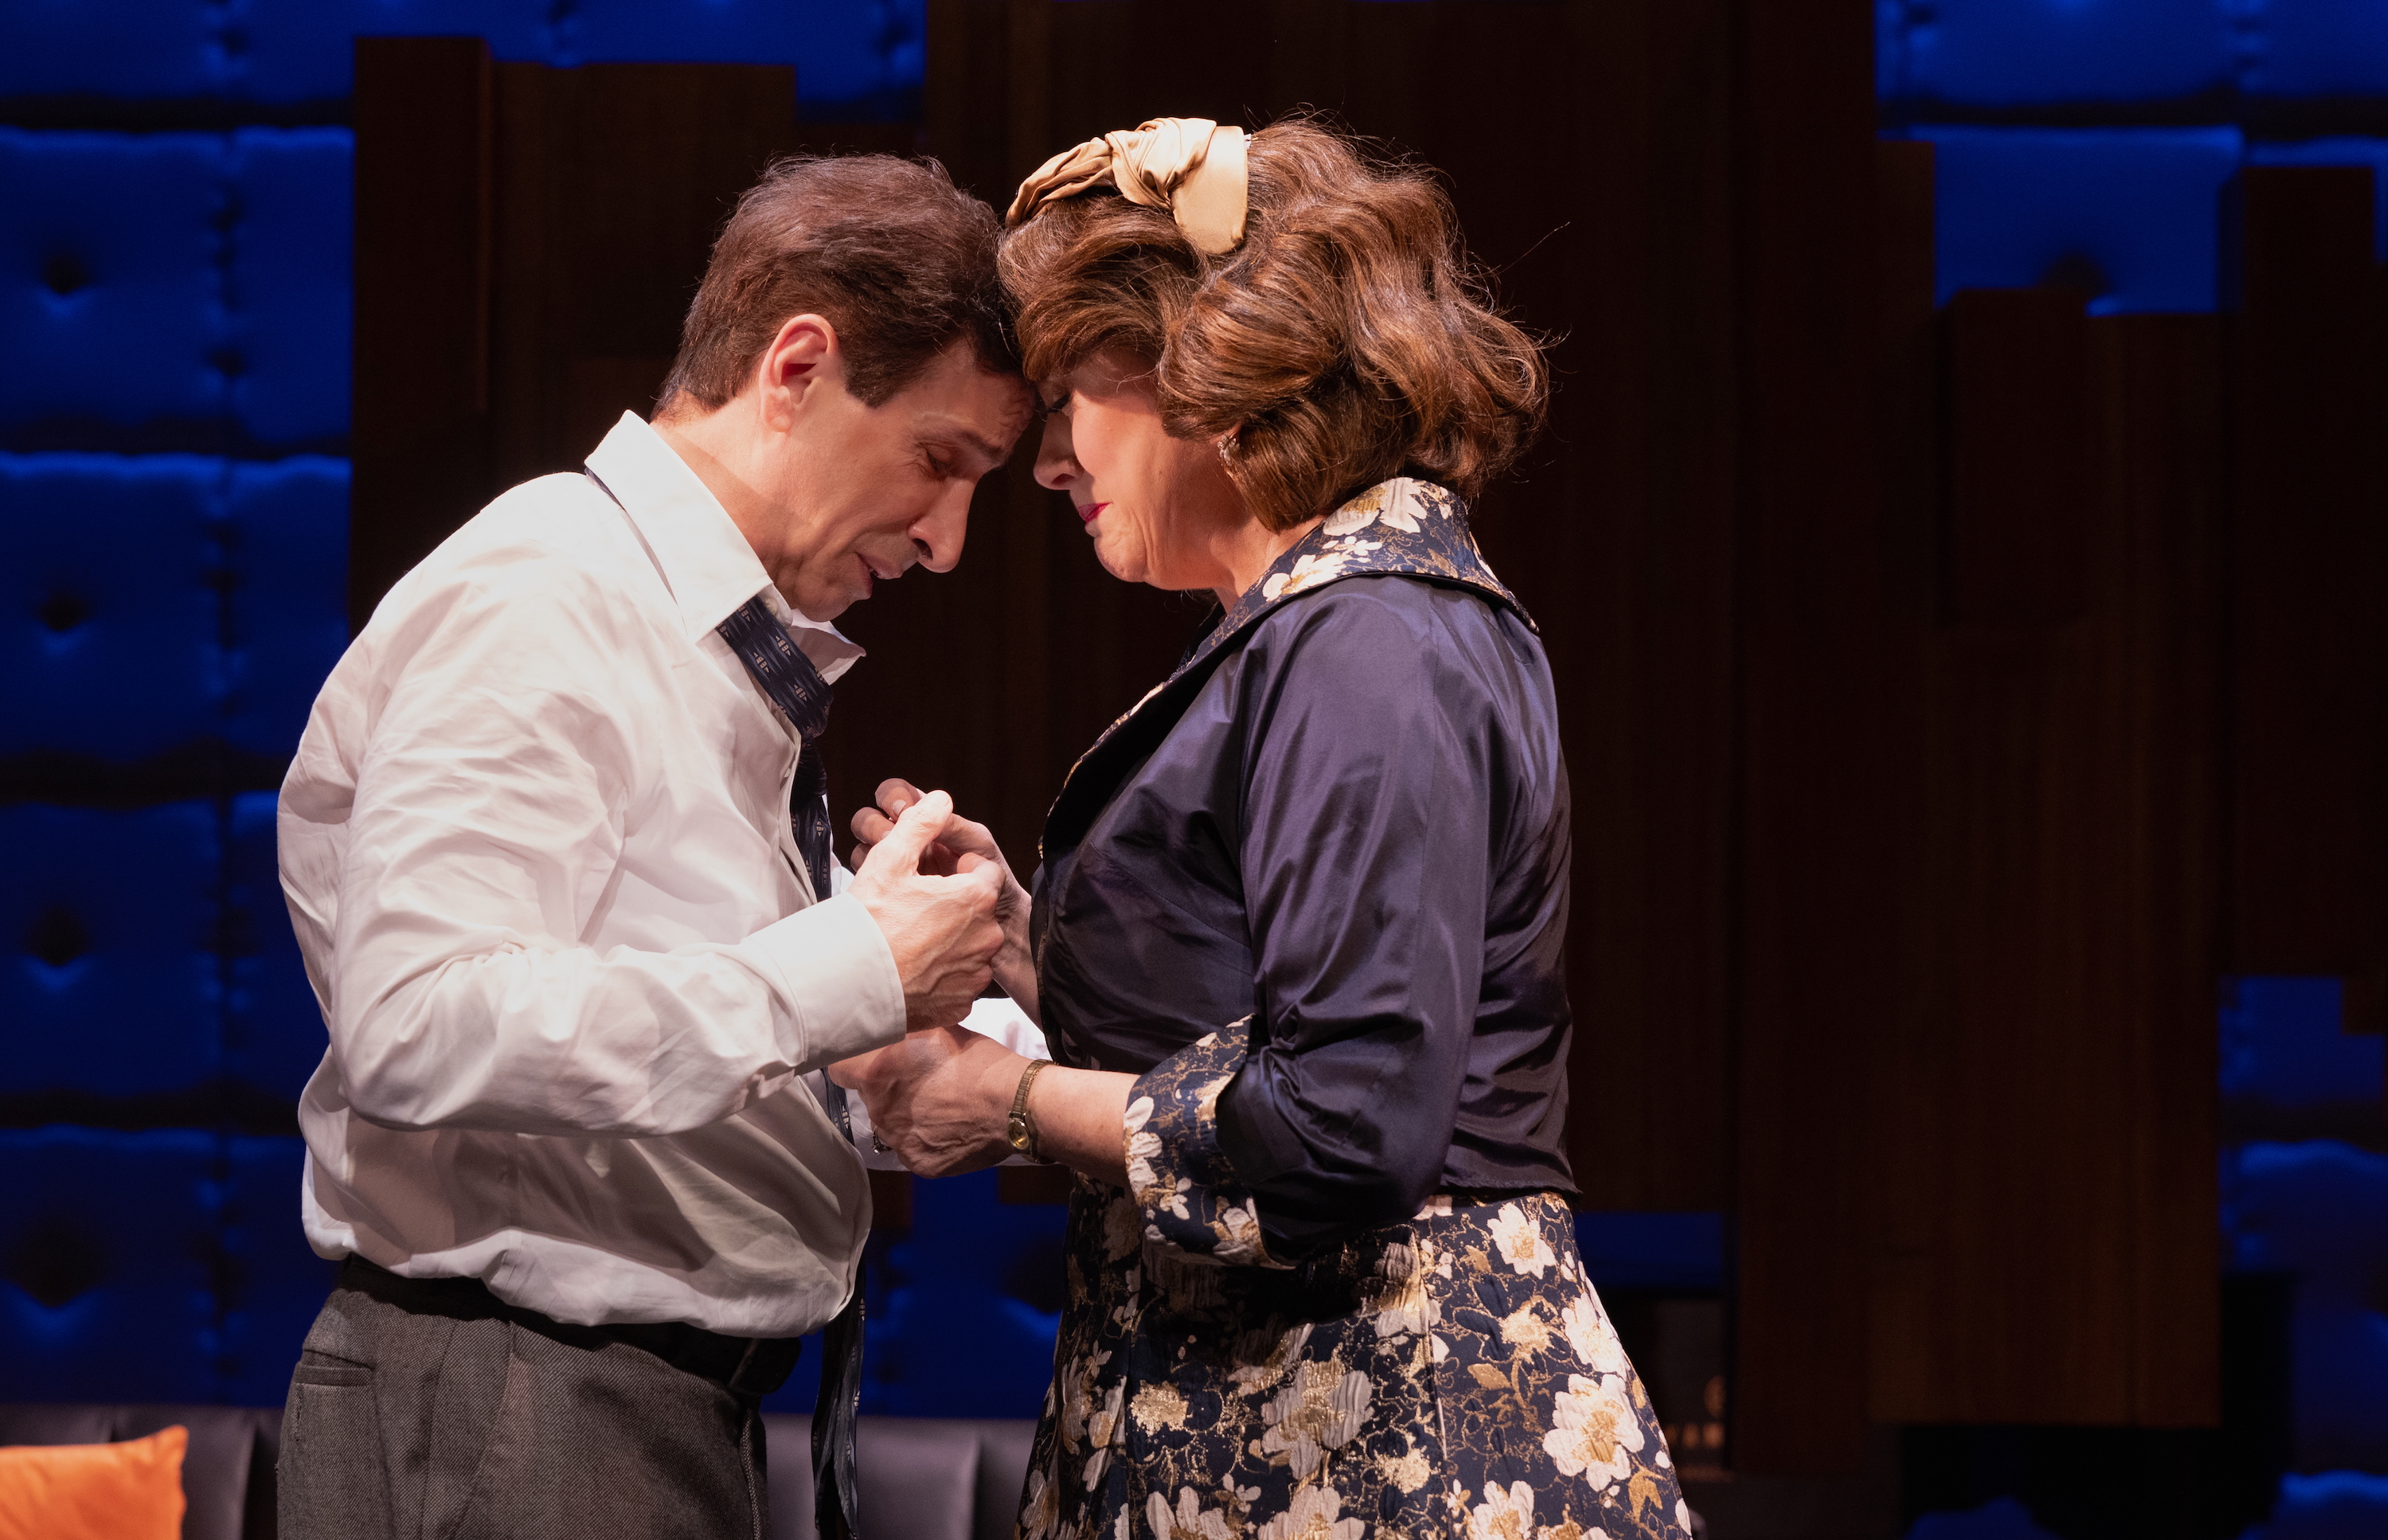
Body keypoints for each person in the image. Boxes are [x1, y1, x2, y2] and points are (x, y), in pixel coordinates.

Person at [836, 119, 1695, 1540]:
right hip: (1271, 1414)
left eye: (1069, 397)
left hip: (1376, 1428)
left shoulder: (1369, 639)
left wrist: (1009, 1103)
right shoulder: (1314, 630)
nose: (1047, 463)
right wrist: (1030, 957)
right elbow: (1269, 1019)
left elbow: (1348, 1120)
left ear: (1214, 367)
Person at [272, 154, 1030, 1540]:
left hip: (614, 1413)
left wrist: (881, 1051)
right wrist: (844, 968)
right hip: (522, 1405)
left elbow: (644, 1047)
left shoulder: (697, 637)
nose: (947, 540)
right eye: (941, 461)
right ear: (798, 364)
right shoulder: (549, 590)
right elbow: (418, 1020)